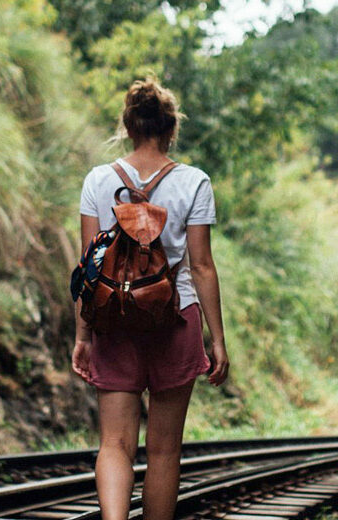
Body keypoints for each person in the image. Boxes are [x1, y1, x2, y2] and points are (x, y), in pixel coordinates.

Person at [72, 77, 230, 520]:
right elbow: (201, 266)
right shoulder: (194, 182)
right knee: (163, 452)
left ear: (127, 125)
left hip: (114, 321)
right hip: (176, 319)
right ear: (170, 128)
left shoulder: (99, 180)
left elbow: (91, 265)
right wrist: (216, 339)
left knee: (115, 444)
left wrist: (83, 334)